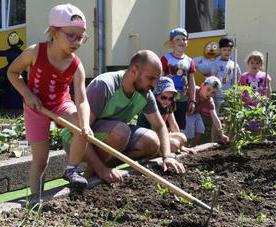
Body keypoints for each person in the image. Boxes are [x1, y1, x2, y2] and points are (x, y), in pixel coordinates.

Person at [62, 50, 185, 184]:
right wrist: (101, 168)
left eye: (157, 79)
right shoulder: (104, 85)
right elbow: (80, 131)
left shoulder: (145, 93)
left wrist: (167, 156)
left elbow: (160, 126)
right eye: (151, 78)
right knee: (121, 131)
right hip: (76, 141)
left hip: (114, 138)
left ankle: (107, 168)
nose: (154, 84)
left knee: (152, 142)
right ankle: (92, 174)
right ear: (134, 71)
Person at [7, 3, 92, 193]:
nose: (76, 42)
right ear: (53, 31)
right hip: (35, 107)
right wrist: (27, 95)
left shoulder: (76, 65)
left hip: (60, 104)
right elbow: (13, 73)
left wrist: (85, 125)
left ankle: (72, 170)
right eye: (71, 36)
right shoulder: (35, 52)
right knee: (41, 159)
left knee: (80, 124)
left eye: (80, 38)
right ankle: (36, 199)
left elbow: (82, 99)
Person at [137, 76, 194, 154]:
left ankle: (166, 150)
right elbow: (155, 130)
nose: (167, 101)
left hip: (158, 135)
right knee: (174, 144)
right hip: (147, 138)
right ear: (157, 94)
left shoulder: (168, 106)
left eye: (170, 98)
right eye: (164, 97)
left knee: (182, 137)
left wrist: (182, 146)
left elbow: (173, 125)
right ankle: (155, 154)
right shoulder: (152, 106)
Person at [161, 27, 196, 130]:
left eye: (184, 39)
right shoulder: (166, 59)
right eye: (178, 39)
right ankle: (165, 145)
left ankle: (179, 144)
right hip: (167, 99)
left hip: (183, 99)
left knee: (180, 125)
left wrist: (192, 100)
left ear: (187, 42)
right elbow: (159, 78)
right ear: (172, 43)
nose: (181, 41)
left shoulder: (189, 61)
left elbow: (191, 82)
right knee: (166, 124)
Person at [184, 76, 229, 146]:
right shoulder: (193, 90)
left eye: (213, 92)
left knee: (201, 128)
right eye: (208, 89)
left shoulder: (209, 100)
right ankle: (185, 145)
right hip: (185, 113)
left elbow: (215, 117)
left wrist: (221, 134)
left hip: (195, 114)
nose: (209, 94)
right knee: (190, 127)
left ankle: (194, 145)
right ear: (202, 85)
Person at [211, 38, 241, 141]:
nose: (227, 52)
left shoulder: (234, 64)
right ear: (220, 50)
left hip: (230, 97)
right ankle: (213, 140)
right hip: (218, 96)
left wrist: (236, 93)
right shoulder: (216, 63)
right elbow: (212, 79)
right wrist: (212, 94)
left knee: (229, 119)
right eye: (224, 50)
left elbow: (237, 80)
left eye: (229, 50)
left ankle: (227, 139)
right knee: (217, 119)